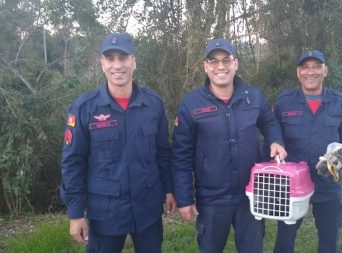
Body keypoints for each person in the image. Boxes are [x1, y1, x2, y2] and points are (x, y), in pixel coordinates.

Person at [60, 32, 176, 253]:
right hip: (106, 213)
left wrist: (169, 189)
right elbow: (73, 162)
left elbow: (163, 151)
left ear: (134, 62)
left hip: (147, 209)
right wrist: (75, 213)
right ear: (102, 64)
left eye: (123, 58)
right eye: (110, 58)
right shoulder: (85, 108)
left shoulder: (153, 104)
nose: (117, 65)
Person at [171, 38, 287, 253]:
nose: (221, 66)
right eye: (214, 61)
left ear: (236, 63)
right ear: (206, 66)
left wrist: (276, 140)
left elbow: (269, 121)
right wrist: (185, 198)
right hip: (212, 198)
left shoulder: (253, 97)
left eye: (226, 60)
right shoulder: (191, 104)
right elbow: (181, 156)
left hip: (252, 195)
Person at [273, 50, 342, 253]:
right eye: (305, 67)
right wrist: (275, 146)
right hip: (291, 186)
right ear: (298, 72)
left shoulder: (341, 103)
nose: (311, 72)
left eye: (317, 66)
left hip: (328, 183)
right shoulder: (283, 102)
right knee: (284, 239)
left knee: (329, 239)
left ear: (325, 70)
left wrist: (339, 159)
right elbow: (273, 137)